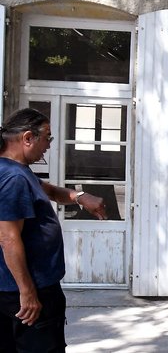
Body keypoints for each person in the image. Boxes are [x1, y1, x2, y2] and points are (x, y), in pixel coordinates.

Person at [0, 107, 107, 352]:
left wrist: (80, 196)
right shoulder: (12, 178)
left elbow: (49, 191)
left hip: (24, 288)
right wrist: (27, 293)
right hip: (26, 291)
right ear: (28, 137)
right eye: (47, 137)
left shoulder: (18, 171)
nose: (49, 145)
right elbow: (7, 238)